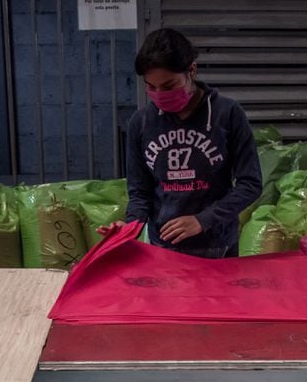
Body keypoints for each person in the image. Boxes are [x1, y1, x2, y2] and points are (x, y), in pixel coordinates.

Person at [98, 28, 262, 258]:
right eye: (150, 87)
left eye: (168, 86)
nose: (159, 94)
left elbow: (250, 185)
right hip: (164, 249)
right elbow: (140, 193)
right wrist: (129, 228)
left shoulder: (227, 114)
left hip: (217, 247)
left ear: (191, 70)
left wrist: (203, 220)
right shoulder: (141, 122)